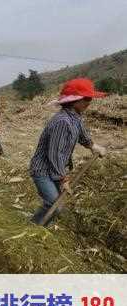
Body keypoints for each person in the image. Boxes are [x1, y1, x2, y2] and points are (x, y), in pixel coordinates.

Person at [29, 78, 107, 226]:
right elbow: (55, 154)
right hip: (43, 170)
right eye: (87, 99)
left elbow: (82, 134)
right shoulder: (62, 121)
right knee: (54, 204)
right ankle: (34, 227)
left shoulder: (75, 117)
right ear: (75, 101)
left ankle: (43, 225)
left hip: (55, 169)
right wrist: (63, 179)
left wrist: (93, 146)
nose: (90, 102)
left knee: (56, 204)